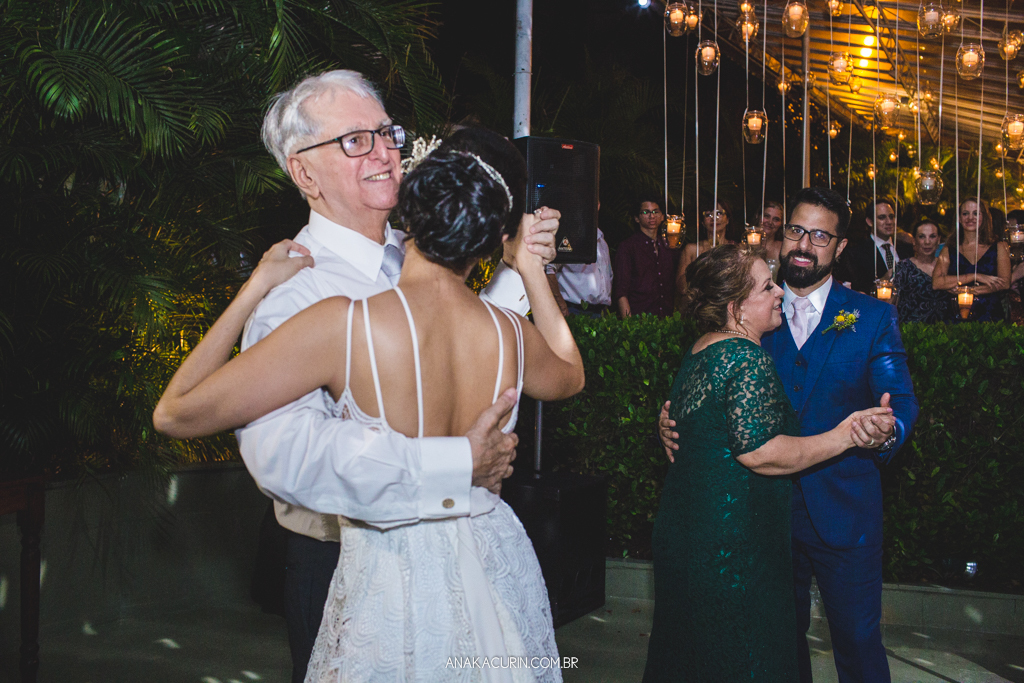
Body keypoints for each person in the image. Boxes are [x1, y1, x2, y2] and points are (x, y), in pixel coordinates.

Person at [155, 144, 586, 681]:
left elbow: (176, 413)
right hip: (498, 559)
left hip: (393, 573)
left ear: (407, 216)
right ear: (490, 241)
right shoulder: (511, 332)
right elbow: (571, 372)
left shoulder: (344, 326)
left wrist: (256, 288)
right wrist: (529, 268)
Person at [662, 187, 919, 683]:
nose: (804, 244)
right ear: (782, 236)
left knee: (859, 641)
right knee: (779, 639)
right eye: (796, 230)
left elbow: (900, 399)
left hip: (845, 510)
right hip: (764, 513)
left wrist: (888, 429)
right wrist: (674, 419)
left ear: (840, 247)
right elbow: (711, 378)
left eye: (820, 235)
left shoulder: (871, 316)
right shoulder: (752, 305)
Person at [932, 198, 1012, 322]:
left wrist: (967, 290)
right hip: (956, 318)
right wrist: (975, 276)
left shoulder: (999, 246)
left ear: (984, 218)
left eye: (976, 213)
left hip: (990, 316)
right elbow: (936, 283)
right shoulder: (949, 249)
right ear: (959, 218)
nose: (970, 218)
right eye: (965, 213)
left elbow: (1005, 283)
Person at [612, 197, 678, 317]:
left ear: (662, 216)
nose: (651, 216)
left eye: (655, 212)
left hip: (667, 319)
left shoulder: (668, 246)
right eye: (646, 212)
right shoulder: (628, 247)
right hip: (640, 319)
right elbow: (621, 290)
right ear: (637, 218)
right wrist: (629, 324)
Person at [840, 197, 912, 295]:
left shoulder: (906, 249)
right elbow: (856, 290)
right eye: (882, 217)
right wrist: (883, 281)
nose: (889, 222)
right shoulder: (856, 253)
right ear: (870, 222)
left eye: (891, 217)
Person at [892, 219, 953, 323]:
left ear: (939, 240)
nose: (927, 242)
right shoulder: (903, 268)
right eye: (922, 236)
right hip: (911, 333)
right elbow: (892, 304)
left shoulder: (948, 267)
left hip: (944, 334)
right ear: (914, 241)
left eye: (932, 236)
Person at [546, 227, 613, 317]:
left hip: (600, 312)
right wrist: (561, 305)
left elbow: (608, 275)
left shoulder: (601, 241)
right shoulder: (570, 235)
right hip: (574, 310)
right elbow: (549, 269)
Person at [676, 200, 736, 294]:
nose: (714, 218)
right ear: (703, 222)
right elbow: (681, 288)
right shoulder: (692, 249)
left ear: (727, 219)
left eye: (719, 213)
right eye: (708, 215)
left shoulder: (736, 249)